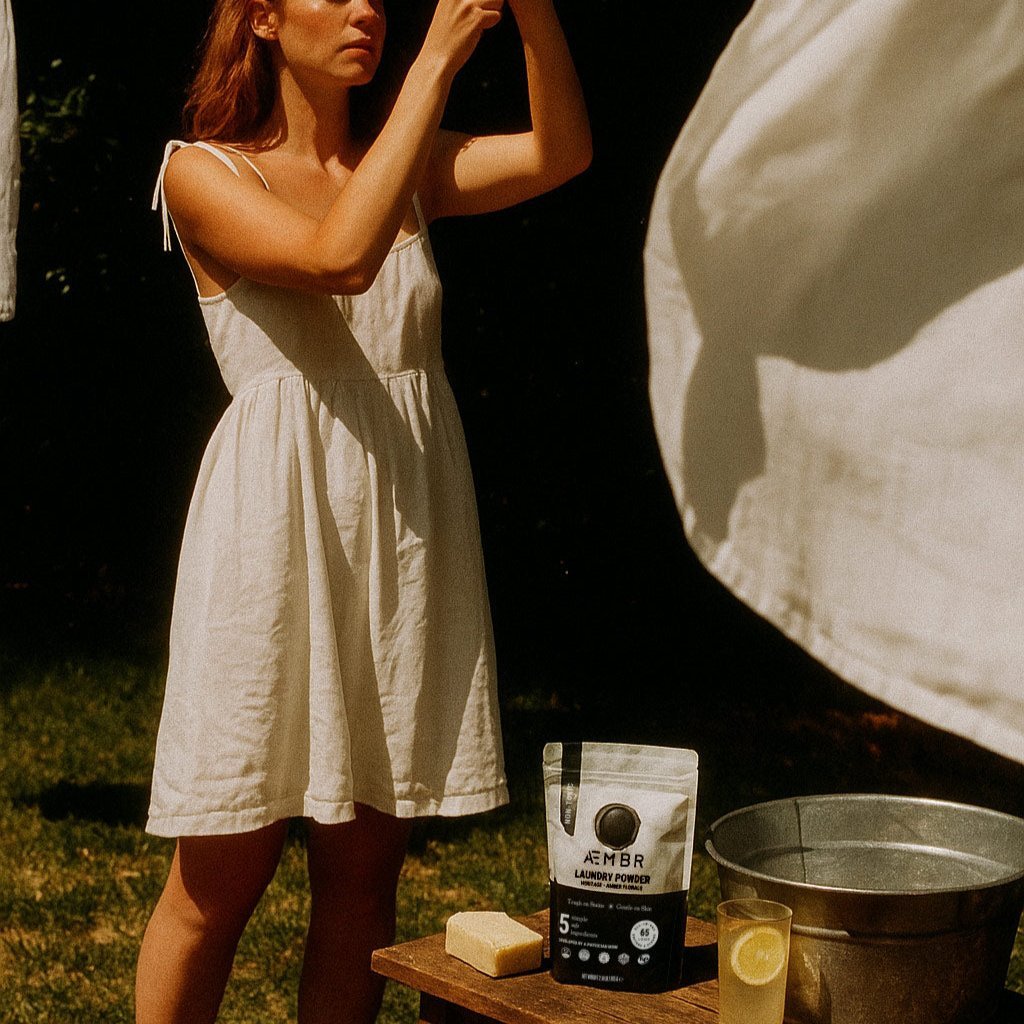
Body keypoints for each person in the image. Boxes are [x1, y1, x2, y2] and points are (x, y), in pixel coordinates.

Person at [137, 1, 590, 1022]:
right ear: (260, 18)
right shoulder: (201, 172)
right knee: (221, 875)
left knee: (364, 873)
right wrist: (436, 57)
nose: (368, 11)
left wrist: (533, 17)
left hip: (401, 529)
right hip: (272, 534)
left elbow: (563, 151)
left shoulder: (405, 165)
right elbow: (340, 257)